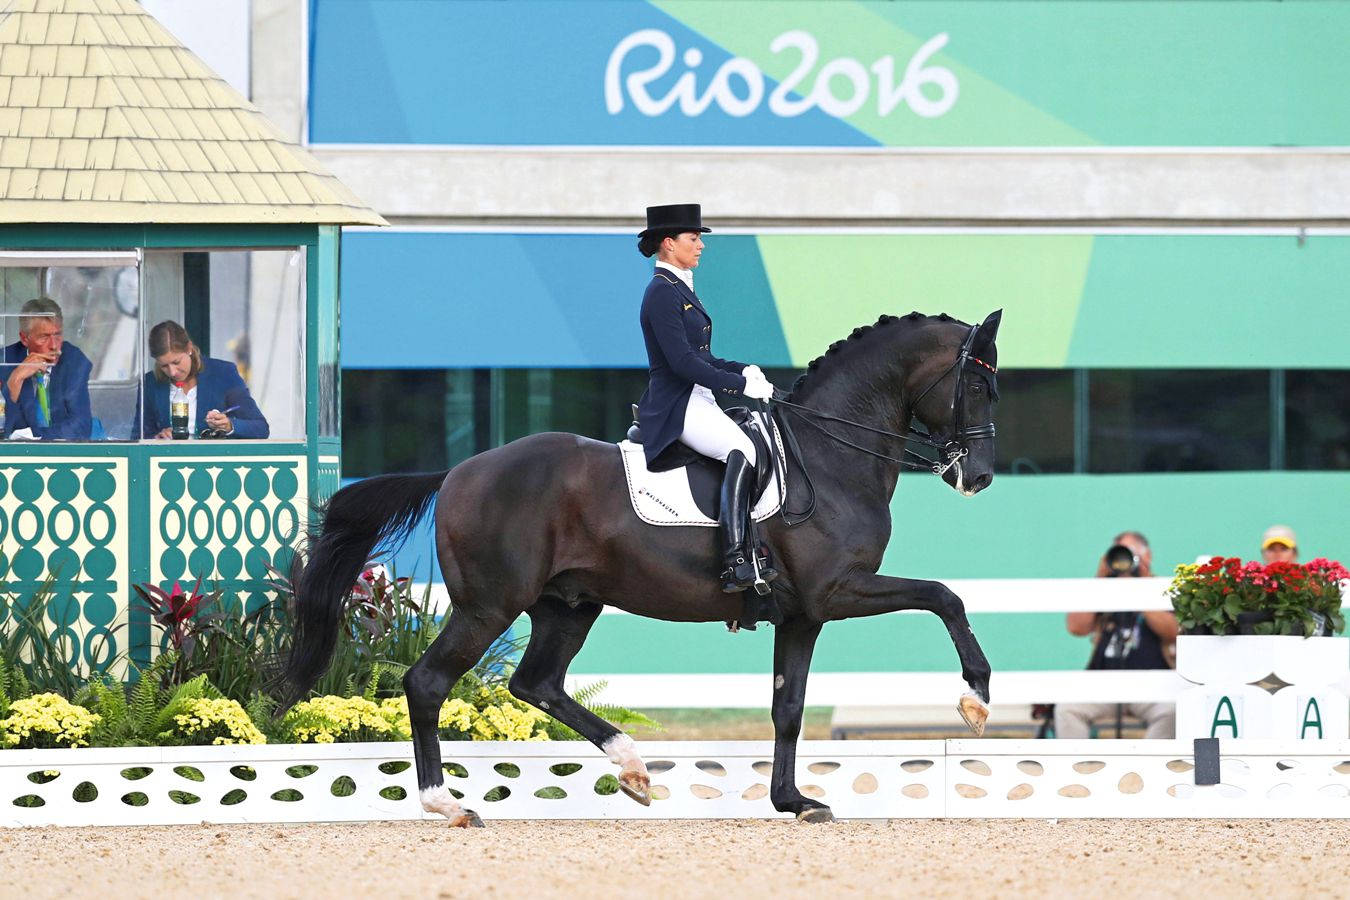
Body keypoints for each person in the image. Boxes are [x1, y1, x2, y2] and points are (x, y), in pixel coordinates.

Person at [636, 203, 777, 594]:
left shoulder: (679, 288)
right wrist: (738, 387)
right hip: (678, 403)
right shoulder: (662, 293)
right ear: (669, 243)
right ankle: (734, 559)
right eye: (693, 238)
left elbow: (704, 357)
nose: (701, 246)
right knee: (743, 449)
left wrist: (742, 369)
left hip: (698, 397)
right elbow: (682, 363)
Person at [1054, 531, 1178, 739]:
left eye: (1128, 554)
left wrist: (1139, 589)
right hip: (1104, 684)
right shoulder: (1105, 589)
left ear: (1146, 557)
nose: (1123, 561)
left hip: (1151, 685)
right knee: (1068, 709)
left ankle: (1149, 768)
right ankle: (1079, 768)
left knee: (1171, 712)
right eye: (1117, 554)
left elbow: (1173, 631)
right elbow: (1076, 627)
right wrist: (1100, 579)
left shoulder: (1162, 588)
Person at [137, 320, 269, 439]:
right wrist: (158, 438)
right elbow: (138, 435)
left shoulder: (223, 373)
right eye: (164, 366)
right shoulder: (150, 383)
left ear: (189, 348)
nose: (172, 372)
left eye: (176, 362)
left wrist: (229, 425)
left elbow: (260, 428)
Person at [2, 297, 93, 440]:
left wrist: (36, 435)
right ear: (24, 339)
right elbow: (4, 430)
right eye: (44, 337)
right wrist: (16, 378)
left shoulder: (73, 360)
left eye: (57, 335)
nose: (54, 345)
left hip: (63, 453)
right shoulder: (4, 362)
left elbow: (81, 426)